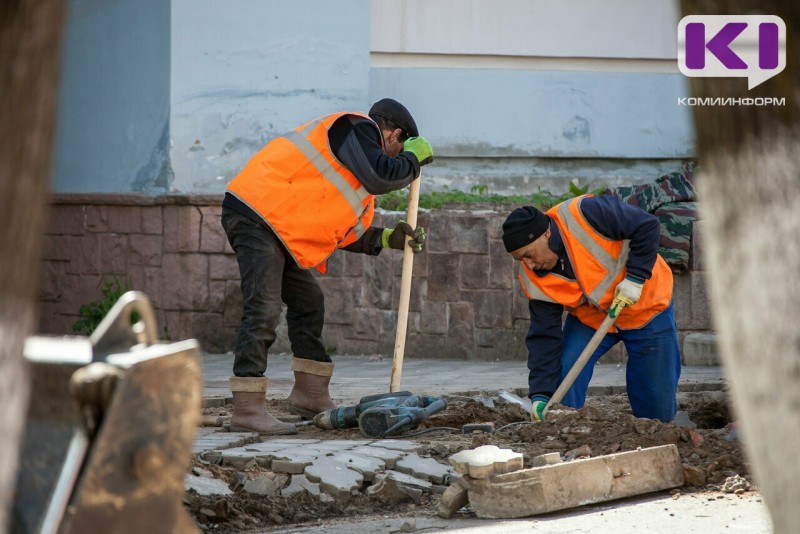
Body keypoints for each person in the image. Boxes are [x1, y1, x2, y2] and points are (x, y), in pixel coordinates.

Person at [221, 99, 433, 435]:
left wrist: (390, 237)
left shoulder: (354, 177)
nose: (395, 157)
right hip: (255, 213)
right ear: (393, 134)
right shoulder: (356, 127)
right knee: (263, 307)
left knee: (308, 302)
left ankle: (310, 394)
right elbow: (381, 175)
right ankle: (247, 408)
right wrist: (413, 160)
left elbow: (348, 234)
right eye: (400, 148)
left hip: (277, 226)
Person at [502, 194, 681, 423]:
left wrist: (636, 278)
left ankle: (654, 436)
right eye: (520, 260)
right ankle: (563, 429)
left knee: (655, 401)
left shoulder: (587, 213)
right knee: (565, 374)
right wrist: (540, 394)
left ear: (546, 233)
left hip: (646, 307)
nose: (528, 265)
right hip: (593, 319)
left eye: (528, 254)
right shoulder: (534, 276)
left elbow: (647, 225)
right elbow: (544, 336)